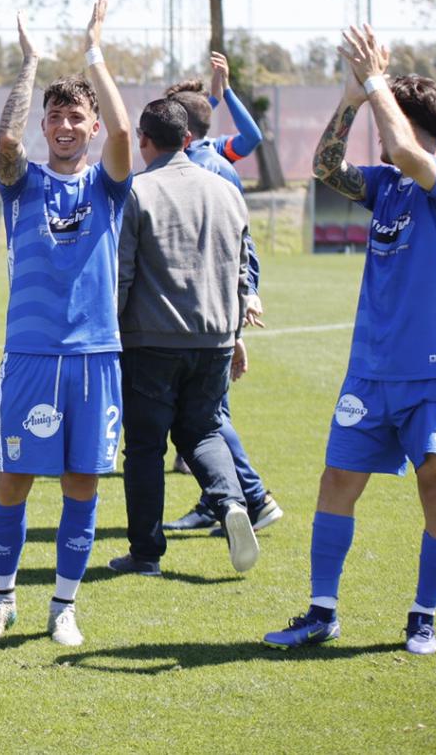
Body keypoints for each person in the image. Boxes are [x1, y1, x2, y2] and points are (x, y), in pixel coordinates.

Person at [266, 26, 436, 656]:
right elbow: (326, 167)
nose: (380, 138)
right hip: (370, 374)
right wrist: (352, 97)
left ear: (409, 124)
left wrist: (380, 84)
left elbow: (411, 156)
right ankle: (321, 612)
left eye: (387, 122)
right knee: (336, 482)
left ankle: (421, 618)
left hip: (435, 375)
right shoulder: (383, 187)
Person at [0, 0, 133, 646]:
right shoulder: (22, 182)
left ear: (90, 126)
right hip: (33, 355)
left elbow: (125, 137)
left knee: (81, 483)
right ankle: (0, 600)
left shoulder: (108, 185)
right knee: (13, 480)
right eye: (56, 117)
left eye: (76, 117)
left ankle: (63, 606)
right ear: (46, 123)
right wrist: (32, 62)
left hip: (95, 356)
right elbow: (4, 142)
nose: (65, 126)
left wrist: (95, 51)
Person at [113, 97, 259, 577]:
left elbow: (123, 272)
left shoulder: (137, 191)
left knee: (146, 448)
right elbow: (242, 270)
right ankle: (232, 503)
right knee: (204, 431)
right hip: (215, 336)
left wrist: (109, 332)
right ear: (189, 140)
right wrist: (235, 332)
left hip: (152, 338)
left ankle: (146, 553)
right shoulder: (227, 191)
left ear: (143, 140)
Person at [159, 86, 282, 536]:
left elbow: (236, 240)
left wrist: (245, 295)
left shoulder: (204, 163)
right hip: (215, 299)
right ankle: (217, 500)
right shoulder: (208, 153)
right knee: (206, 413)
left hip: (208, 300)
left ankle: (254, 496)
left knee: (209, 416)